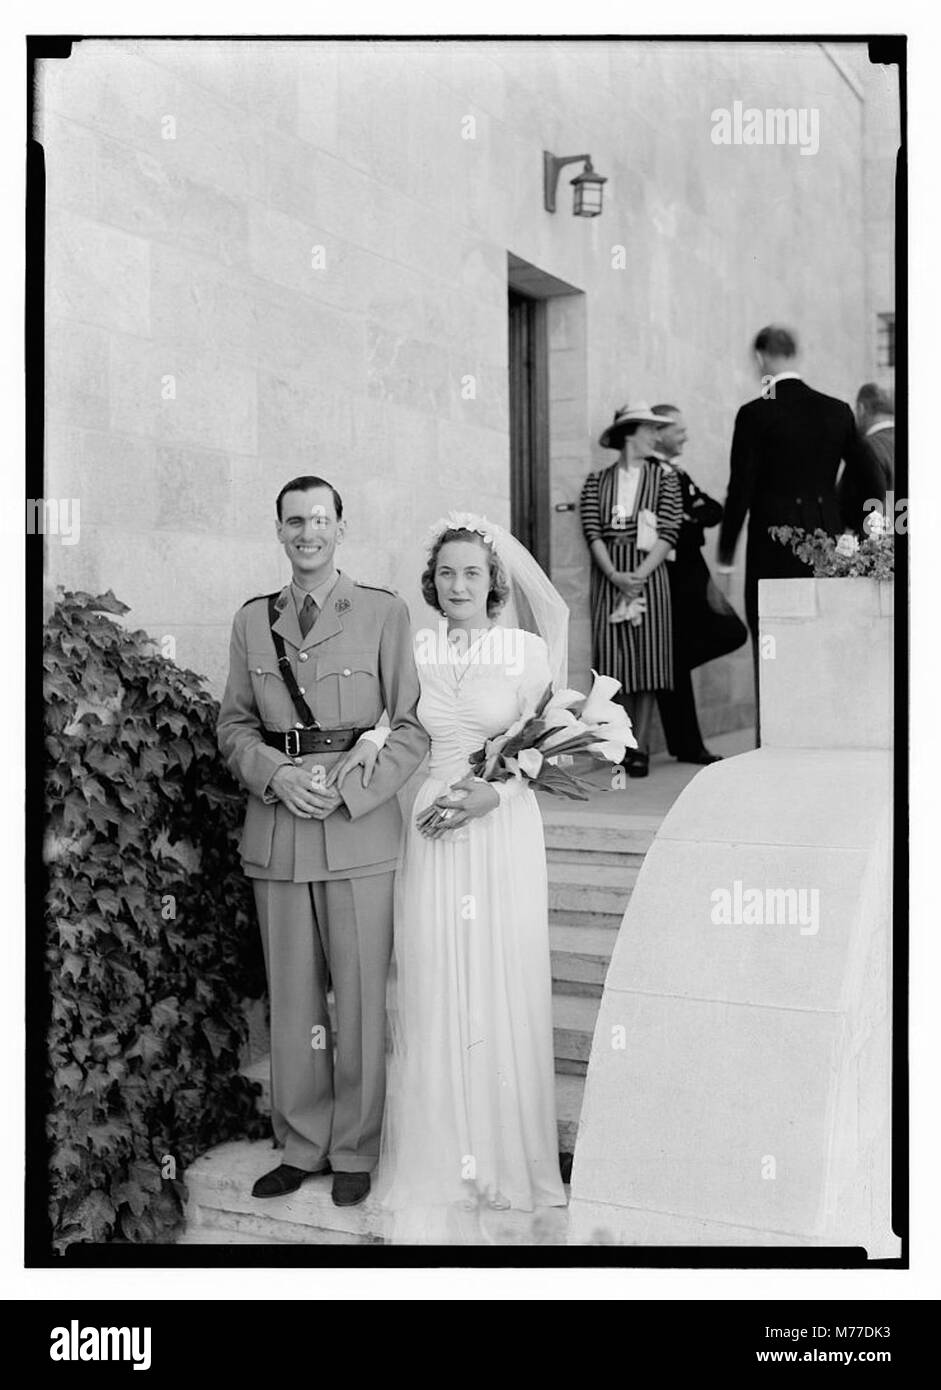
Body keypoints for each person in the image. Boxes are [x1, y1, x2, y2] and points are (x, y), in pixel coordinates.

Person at [333, 514, 569, 1243]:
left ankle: (505, 1156)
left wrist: (493, 792)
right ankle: (442, 1157)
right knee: (435, 979)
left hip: (499, 826)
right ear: (430, 584)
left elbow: (555, 745)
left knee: (499, 976)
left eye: (470, 572)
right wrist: (365, 746)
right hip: (432, 825)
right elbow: (390, 720)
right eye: (445, 573)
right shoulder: (413, 646)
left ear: (493, 581)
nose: (457, 584)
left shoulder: (526, 651)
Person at [216, 475, 428, 1208]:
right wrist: (274, 776)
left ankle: (355, 1148)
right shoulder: (252, 622)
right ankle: (302, 1142)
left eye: (320, 519)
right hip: (279, 830)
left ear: (341, 528)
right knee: (293, 1000)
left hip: (356, 829)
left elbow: (411, 727)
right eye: (293, 521)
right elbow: (234, 727)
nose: (307, 532)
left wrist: (350, 788)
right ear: (278, 531)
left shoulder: (383, 612)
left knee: (362, 996)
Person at [716, 326, 884, 737]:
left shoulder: (755, 412)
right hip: (825, 547)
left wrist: (724, 559)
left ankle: (771, 739)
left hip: (770, 548)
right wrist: (864, 530)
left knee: (771, 644)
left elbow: (740, 489)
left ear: (760, 358)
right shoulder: (836, 409)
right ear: (796, 353)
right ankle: (820, 734)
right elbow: (871, 476)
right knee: (819, 639)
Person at [580, 402, 683, 778]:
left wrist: (637, 575)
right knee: (612, 661)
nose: (656, 436)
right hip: (609, 574)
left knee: (648, 659)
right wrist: (614, 574)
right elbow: (592, 530)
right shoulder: (597, 481)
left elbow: (670, 530)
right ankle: (614, 744)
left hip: (649, 573)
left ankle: (641, 746)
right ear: (630, 433)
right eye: (650, 429)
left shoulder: (665, 479)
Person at [649, 404, 730, 765]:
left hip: (693, 571)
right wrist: (689, 517)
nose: (685, 435)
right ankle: (686, 744)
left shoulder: (675, 472)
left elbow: (714, 510)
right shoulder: (653, 472)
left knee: (727, 633)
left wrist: (688, 516)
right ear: (659, 433)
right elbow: (671, 525)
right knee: (679, 654)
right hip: (673, 576)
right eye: (678, 429)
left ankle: (686, 741)